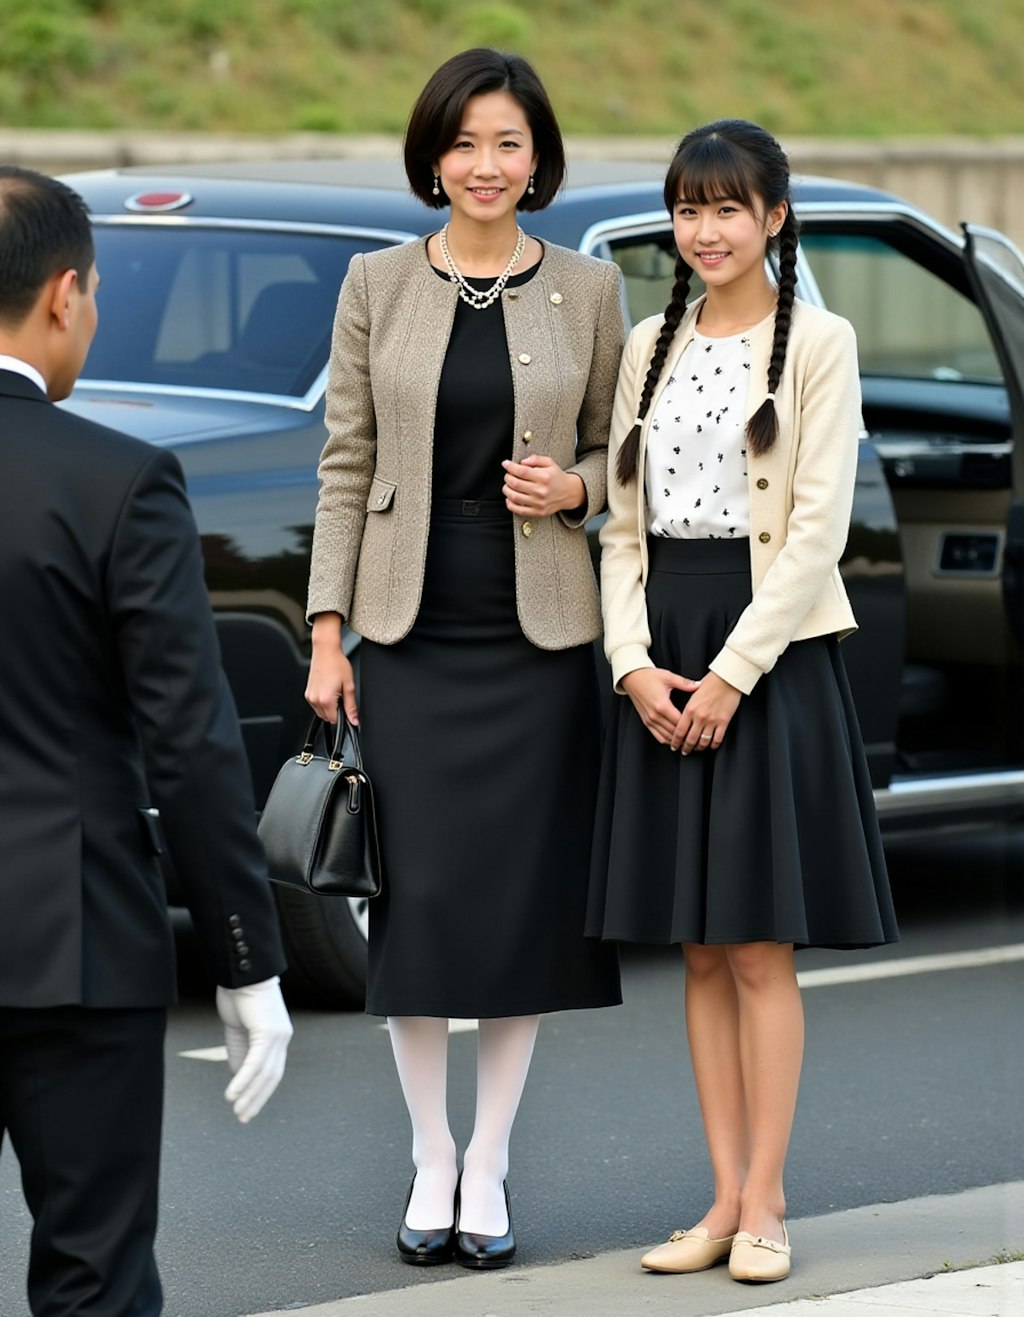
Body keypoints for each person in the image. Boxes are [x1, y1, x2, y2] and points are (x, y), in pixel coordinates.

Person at [305, 47, 622, 1270]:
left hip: (537, 635)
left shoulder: (589, 289)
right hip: (408, 634)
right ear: (431, 157)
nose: (484, 165)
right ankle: (429, 1152)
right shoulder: (375, 283)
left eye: (507, 143)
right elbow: (345, 462)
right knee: (420, 902)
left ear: (537, 160)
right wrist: (326, 632)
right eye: (463, 142)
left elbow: (620, 455)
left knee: (518, 906)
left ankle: (488, 1159)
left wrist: (575, 488)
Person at [586, 120, 898, 1284]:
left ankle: (767, 1201)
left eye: (726, 208)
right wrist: (630, 662)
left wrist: (729, 674)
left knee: (760, 947)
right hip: (663, 645)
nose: (704, 230)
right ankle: (719, 1199)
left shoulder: (819, 341)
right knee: (700, 949)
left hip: (766, 653)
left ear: (773, 217)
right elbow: (621, 526)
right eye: (687, 209)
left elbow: (817, 532)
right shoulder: (647, 343)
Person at [0, 166, 294, 1317]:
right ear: (64, 294)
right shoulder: (117, 481)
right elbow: (191, 741)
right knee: (96, 1273)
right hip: (70, 938)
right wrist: (245, 955)